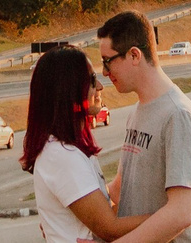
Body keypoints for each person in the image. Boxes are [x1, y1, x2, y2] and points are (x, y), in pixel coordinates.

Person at [95, 10, 191, 243]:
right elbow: (121, 189)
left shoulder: (178, 114)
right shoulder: (137, 112)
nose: (104, 72)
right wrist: (70, 210)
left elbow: (182, 212)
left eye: (108, 61)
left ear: (134, 55)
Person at [22, 45, 140, 243]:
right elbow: (111, 228)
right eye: (92, 81)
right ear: (69, 91)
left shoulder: (69, 148)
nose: (100, 87)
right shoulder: (62, 154)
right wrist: (175, 215)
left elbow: (103, 210)